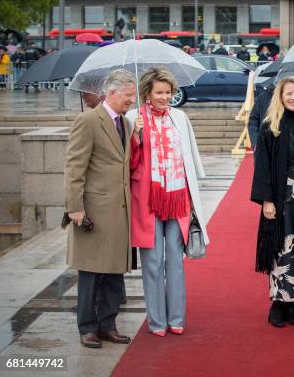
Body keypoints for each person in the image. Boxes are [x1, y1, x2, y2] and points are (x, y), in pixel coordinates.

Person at [126, 68, 209, 336]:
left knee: (175, 260)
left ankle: (176, 318)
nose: (164, 97)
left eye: (168, 92)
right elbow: (127, 164)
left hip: (178, 199)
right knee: (152, 263)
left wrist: (194, 200)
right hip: (146, 201)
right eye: (159, 92)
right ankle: (157, 321)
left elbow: (190, 160)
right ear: (147, 93)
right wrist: (135, 136)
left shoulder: (180, 117)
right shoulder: (133, 118)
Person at [64, 69, 137, 349]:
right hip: (93, 211)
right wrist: (75, 208)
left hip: (118, 211)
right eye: (128, 95)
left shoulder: (127, 124)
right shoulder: (88, 120)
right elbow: (74, 167)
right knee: (91, 272)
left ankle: (108, 325)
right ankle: (87, 328)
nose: (132, 99)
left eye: (133, 94)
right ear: (112, 93)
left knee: (113, 272)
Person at [251, 76, 294, 327]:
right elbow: (262, 167)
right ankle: (277, 305)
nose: (293, 98)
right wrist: (266, 201)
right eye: (289, 94)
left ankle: (291, 306)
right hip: (280, 200)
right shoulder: (270, 127)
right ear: (280, 97)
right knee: (281, 250)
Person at [248, 83, 274, 149]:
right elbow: (253, 121)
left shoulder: (293, 100)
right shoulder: (263, 97)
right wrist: (255, 142)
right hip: (264, 145)